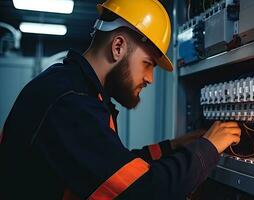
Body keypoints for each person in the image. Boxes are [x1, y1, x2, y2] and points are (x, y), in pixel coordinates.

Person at [0, 0, 241, 199]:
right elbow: (141, 191)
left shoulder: (76, 89)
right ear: (118, 47)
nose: (150, 79)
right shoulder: (70, 101)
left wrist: (174, 146)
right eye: (148, 64)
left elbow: (116, 170)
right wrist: (207, 150)